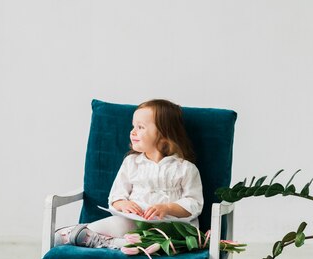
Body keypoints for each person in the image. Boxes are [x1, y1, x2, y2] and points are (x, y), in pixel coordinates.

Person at [55, 99, 204, 249]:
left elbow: (195, 202)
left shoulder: (185, 168)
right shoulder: (131, 163)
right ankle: (85, 234)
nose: (132, 132)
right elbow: (115, 196)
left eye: (140, 127)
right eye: (133, 126)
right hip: (132, 222)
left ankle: (115, 242)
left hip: (170, 226)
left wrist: (168, 208)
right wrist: (123, 204)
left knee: (170, 240)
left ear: (163, 134)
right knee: (118, 224)